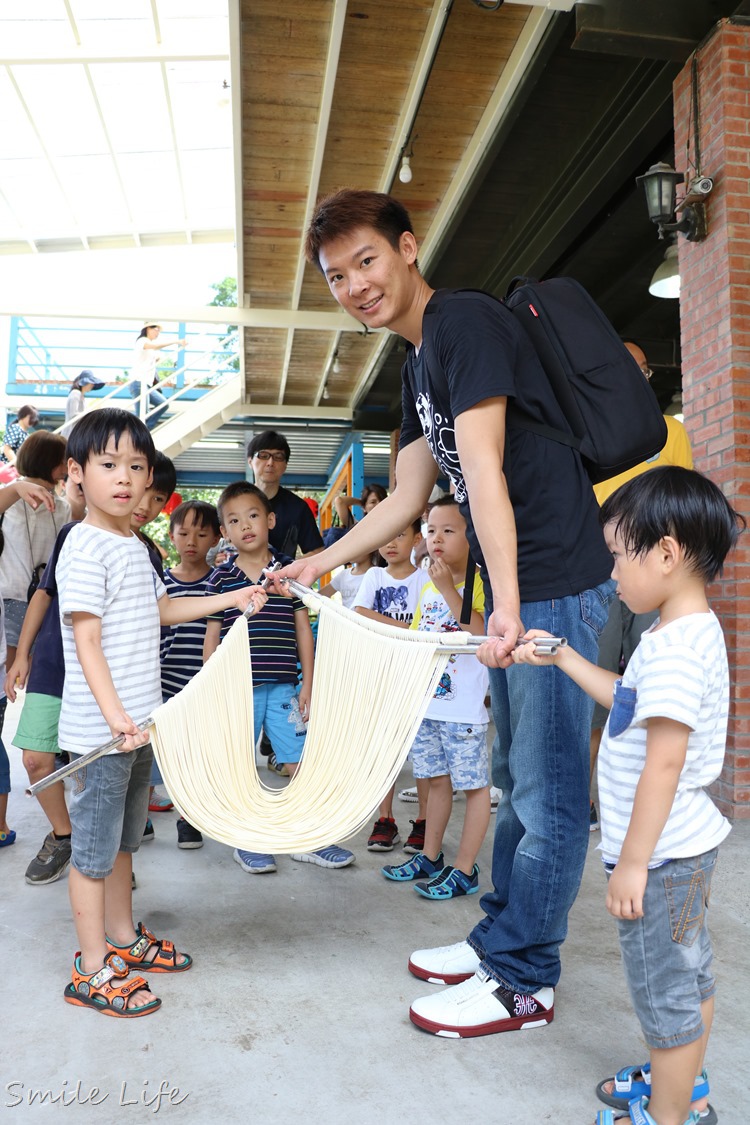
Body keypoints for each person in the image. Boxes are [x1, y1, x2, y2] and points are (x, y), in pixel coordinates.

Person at [277, 188, 613, 1038]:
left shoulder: (461, 323)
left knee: (549, 789)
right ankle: (505, 934)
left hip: (553, 578)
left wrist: (501, 602)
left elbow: (487, 474)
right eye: (336, 274)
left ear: (408, 247)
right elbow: (409, 496)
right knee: (515, 779)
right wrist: (321, 559)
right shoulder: (416, 359)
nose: (356, 284)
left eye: (367, 260)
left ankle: (524, 979)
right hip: (522, 580)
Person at [513, 466, 741, 1125]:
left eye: (618, 555)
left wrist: (634, 861)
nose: (612, 573)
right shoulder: (684, 632)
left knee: (665, 991)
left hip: (663, 858)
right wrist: (563, 657)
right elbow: (628, 702)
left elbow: (664, 764)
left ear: (666, 553)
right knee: (690, 974)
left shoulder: (672, 649)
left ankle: (668, 1114)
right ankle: (685, 1085)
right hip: (687, 848)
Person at [57, 408, 265, 1017]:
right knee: (93, 852)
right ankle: (91, 969)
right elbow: (87, 641)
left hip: (139, 726)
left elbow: (163, 612)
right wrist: (117, 717)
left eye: (136, 467)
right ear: (78, 472)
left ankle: (123, 940)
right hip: (104, 733)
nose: (124, 478)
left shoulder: (133, 546)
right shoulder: (84, 546)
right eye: (108, 465)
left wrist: (234, 597)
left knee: (123, 845)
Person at [204, 481, 354, 875]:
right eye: (234, 521)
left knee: (298, 761)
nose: (245, 526)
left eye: (253, 515)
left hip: (286, 687)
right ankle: (248, 840)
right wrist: (211, 684)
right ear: (225, 532)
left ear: (270, 519)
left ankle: (311, 837)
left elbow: (305, 628)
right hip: (238, 689)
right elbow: (213, 636)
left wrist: (309, 682)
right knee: (240, 765)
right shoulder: (221, 579)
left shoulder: (288, 571)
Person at [588, 342, 694, 832]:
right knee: (596, 686)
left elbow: (682, 501)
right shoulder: (587, 430)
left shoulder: (670, 431)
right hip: (600, 576)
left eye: (641, 368)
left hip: (657, 578)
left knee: (656, 687)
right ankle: (587, 797)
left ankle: (651, 801)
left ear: (648, 375)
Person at [382, 497, 490, 899]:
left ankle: (465, 868)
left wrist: (449, 589)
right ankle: (430, 856)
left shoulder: (480, 581)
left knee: (474, 786)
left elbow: (481, 633)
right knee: (435, 781)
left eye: (449, 530)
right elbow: (418, 635)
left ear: (471, 536)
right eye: (431, 530)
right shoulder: (426, 583)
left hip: (462, 710)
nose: (437, 538)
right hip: (428, 704)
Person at [353, 518, 429, 853]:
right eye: (386, 535)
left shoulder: (426, 578)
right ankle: (385, 819)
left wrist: (402, 631)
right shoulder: (374, 575)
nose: (391, 543)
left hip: (417, 674)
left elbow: (432, 620)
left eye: (400, 534)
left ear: (416, 539)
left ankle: (425, 821)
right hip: (382, 672)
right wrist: (407, 631)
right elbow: (359, 611)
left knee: (424, 753)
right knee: (385, 751)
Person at [160, 500, 221, 849]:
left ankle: (189, 818)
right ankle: (143, 817)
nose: (191, 541)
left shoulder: (221, 582)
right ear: (171, 536)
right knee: (164, 752)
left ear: (216, 538)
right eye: (183, 533)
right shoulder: (162, 584)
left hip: (203, 683)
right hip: (166, 681)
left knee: (196, 753)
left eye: (201, 533)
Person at [0, 430, 82, 669]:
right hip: (8, 596)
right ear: (51, 463)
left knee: (27, 673)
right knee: (8, 671)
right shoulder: (9, 497)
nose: (67, 466)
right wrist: (16, 490)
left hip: (40, 599)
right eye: (62, 460)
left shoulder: (63, 507)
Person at [128, 450, 177, 824]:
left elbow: (164, 612)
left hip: (140, 683)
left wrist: (232, 597)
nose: (146, 504)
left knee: (132, 779)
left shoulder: (148, 553)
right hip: (97, 695)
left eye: (158, 497)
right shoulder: (80, 538)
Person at [246, 430, 324, 558]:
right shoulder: (235, 502)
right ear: (250, 461)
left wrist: (288, 567)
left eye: (278, 457)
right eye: (263, 455)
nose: (270, 463)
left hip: (279, 577)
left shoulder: (298, 508)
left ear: (285, 465)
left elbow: (317, 551)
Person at [128, 322, 186, 430]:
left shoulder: (150, 347)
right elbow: (156, 346)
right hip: (138, 382)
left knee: (163, 404)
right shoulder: (142, 341)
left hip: (147, 385)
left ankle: (145, 430)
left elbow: (156, 355)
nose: (158, 332)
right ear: (148, 329)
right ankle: (139, 433)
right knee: (142, 415)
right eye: (156, 329)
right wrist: (176, 341)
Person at [61, 370, 105, 437]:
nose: (92, 385)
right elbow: (73, 415)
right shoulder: (75, 393)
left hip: (76, 433)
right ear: (85, 383)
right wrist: (90, 413)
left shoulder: (81, 396)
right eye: (91, 382)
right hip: (70, 433)